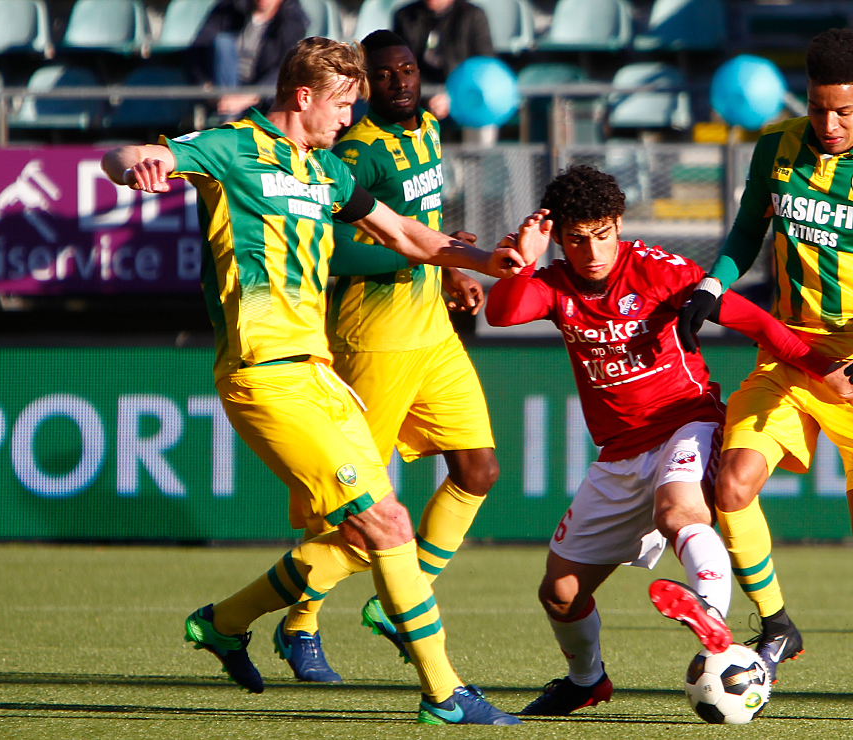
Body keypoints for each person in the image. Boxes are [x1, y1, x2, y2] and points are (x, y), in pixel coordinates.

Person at [99, 37, 522, 725]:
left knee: (365, 535)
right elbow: (122, 156)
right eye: (343, 101)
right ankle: (444, 693)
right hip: (263, 377)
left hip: (321, 374)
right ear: (304, 96)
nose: (349, 116)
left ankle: (225, 623)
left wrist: (487, 261)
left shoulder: (325, 169)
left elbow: (407, 237)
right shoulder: (235, 148)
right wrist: (138, 162)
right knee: (386, 524)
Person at [486, 165, 853, 716]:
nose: (592, 252)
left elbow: (758, 324)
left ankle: (711, 618)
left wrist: (823, 368)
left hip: (686, 420)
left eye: (602, 234)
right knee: (561, 594)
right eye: (576, 239)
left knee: (678, 511)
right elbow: (501, 313)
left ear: (618, 224)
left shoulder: (657, 270)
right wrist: (521, 261)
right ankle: (586, 680)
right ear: (558, 237)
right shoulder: (552, 282)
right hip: (619, 453)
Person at [676, 27, 853, 720]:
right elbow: (744, 235)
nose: (830, 124)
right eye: (819, 108)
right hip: (787, 354)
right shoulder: (778, 146)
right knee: (730, 486)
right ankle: (778, 623)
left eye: (844, 111)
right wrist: (711, 285)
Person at [267, 29, 503, 683]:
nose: (402, 80)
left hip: (432, 335)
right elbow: (330, 246)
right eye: (387, 74)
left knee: (479, 470)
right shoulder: (359, 152)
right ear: (363, 85)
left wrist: (450, 266)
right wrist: (417, 250)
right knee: (358, 509)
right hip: (373, 341)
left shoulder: (426, 129)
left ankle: (402, 601)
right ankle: (299, 624)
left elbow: (422, 214)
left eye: (409, 69)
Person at [186, 0, 310, 117]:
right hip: (219, 86)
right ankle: (227, 117)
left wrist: (251, 96)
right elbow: (197, 49)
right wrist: (206, 87)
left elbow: (284, 68)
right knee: (223, 43)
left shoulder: (292, 21)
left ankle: (227, 119)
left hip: (260, 91)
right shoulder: (229, 8)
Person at [393, 0, 494, 120]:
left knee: (484, 105)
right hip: (419, 91)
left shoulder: (473, 15)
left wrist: (454, 96)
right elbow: (399, 63)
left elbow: (484, 67)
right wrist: (423, 95)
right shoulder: (405, 16)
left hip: (464, 89)